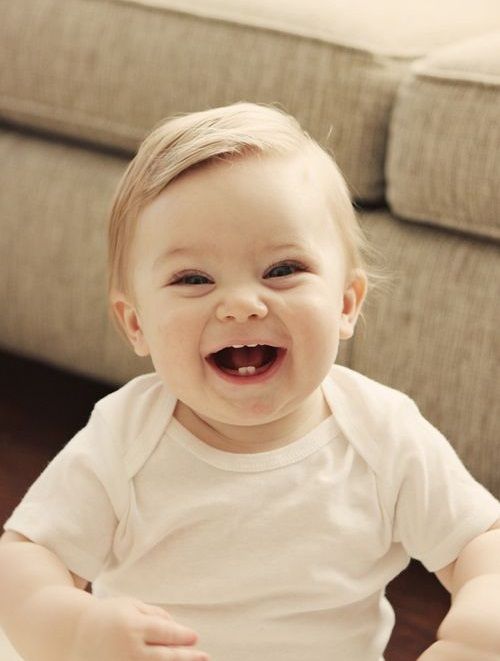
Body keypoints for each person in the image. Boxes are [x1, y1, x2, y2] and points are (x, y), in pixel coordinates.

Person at [0, 102, 499, 661]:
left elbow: (481, 542)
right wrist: (72, 631)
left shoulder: (383, 433)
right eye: (194, 278)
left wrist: (479, 630)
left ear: (345, 303)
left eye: (282, 270)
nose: (240, 304)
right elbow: (26, 556)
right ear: (136, 323)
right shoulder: (125, 437)